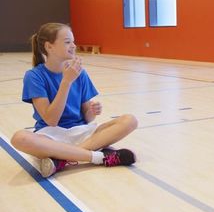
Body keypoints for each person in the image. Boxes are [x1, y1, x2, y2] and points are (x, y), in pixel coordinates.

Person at [11, 23, 138, 178]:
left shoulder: (80, 73)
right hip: (51, 135)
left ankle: (62, 160)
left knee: (130, 120)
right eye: (67, 42)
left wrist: (91, 111)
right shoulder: (34, 76)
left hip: (81, 132)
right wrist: (66, 82)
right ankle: (98, 157)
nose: (73, 45)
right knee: (20, 138)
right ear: (49, 47)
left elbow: (88, 118)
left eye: (73, 41)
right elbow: (51, 120)